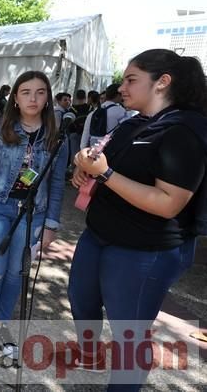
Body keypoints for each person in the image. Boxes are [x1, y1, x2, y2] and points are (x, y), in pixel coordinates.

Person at [70, 49, 207, 389]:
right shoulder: (133, 123)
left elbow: (167, 203)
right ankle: (91, 356)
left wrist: (104, 174)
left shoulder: (185, 132)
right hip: (99, 234)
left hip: (144, 250)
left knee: (129, 336)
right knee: (81, 300)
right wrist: (83, 166)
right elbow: (103, 162)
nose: (123, 88)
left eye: (132, 80)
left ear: (162, 82)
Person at [0, 70, 68, 358]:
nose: (33, 98)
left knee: (16, 274)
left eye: (39, 92)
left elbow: (58, 182)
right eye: (25, 92)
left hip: (33, 215)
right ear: (15, 98)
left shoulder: (56, 137)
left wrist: (51, 224)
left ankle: (3, 324)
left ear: (48, 97)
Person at [80, 83, 127, 149]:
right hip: (110, 147)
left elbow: (86, 134)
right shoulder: (121, 111)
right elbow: (125, 131)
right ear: (118, 95)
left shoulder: (93, 112)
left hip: (93, 148)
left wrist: (82, 150)